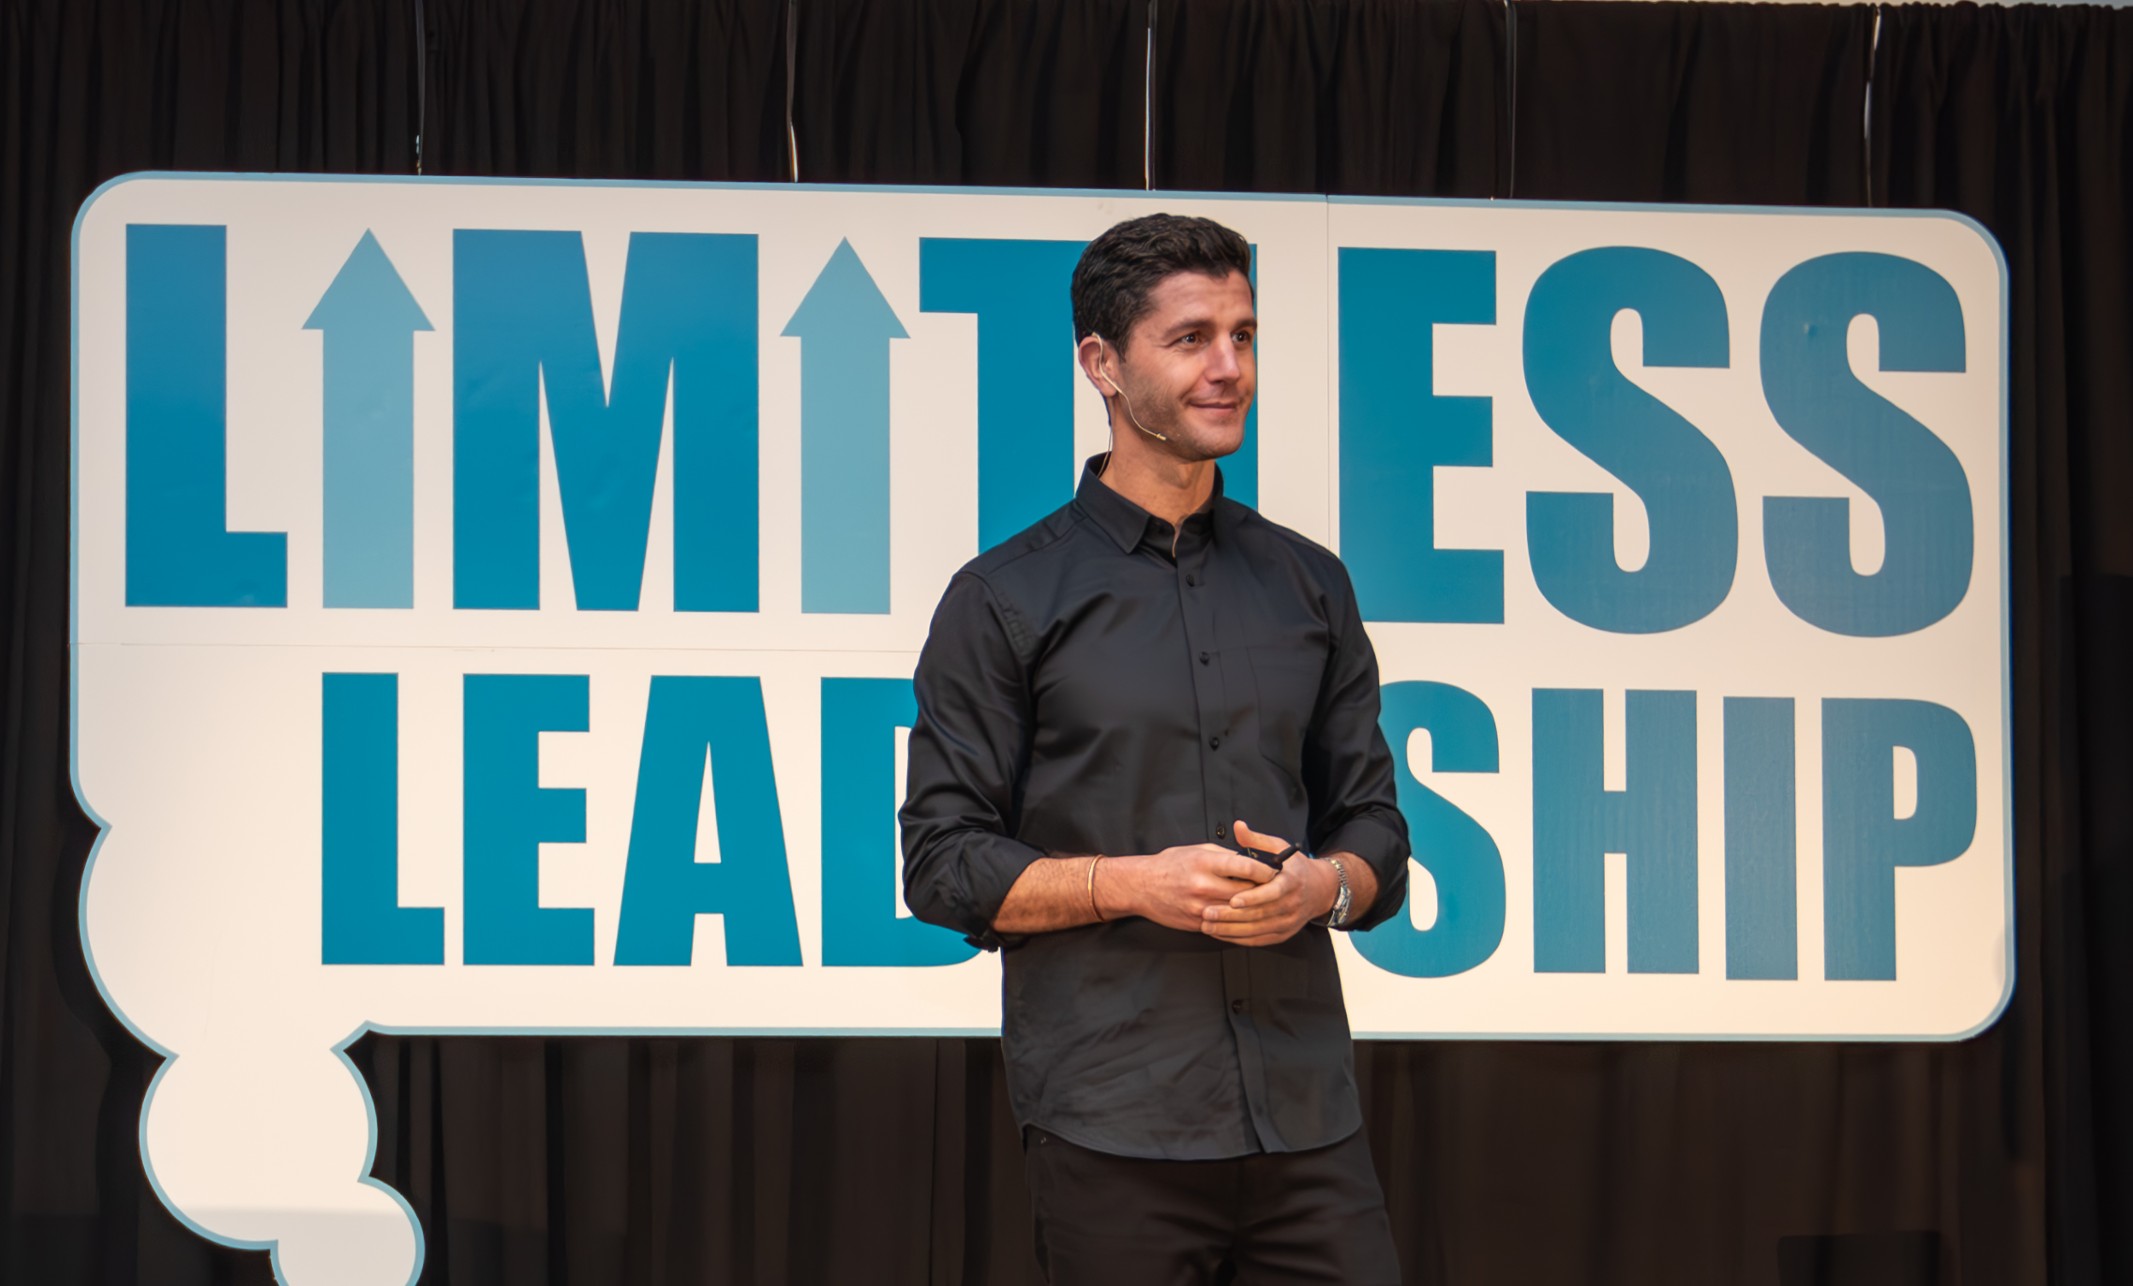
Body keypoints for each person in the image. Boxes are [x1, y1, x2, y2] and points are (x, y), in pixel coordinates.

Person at [899, 213, 1408, 1284]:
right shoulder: (1004, 598)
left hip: (1309, 1118)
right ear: (1102, 363)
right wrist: (1134, 882)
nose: (1230, 367)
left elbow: (1376, 829)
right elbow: (943, 865)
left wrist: (1324, 886)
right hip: (1112, 1127)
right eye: (1191, 338)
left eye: (1244, 333)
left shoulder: (1311, 584)